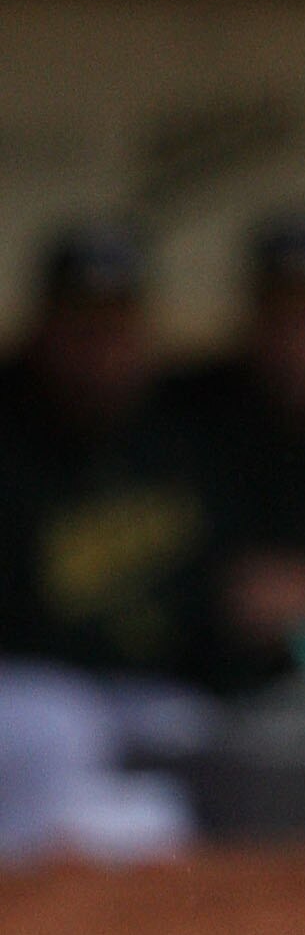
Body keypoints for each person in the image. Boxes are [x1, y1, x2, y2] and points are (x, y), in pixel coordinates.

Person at [0, 227, 218, 865]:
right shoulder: (12, 433)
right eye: (83, 331)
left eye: (117, 329)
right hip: (28, 695)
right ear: (43, 331)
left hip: (130, 696)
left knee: (194, 744)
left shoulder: (172, 432)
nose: (101, 353)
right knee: (61, 722)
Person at [173, 216, 305, 684]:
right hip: (216, 686)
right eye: (284, 318)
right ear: (252, 318)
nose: (300, 341)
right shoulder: (196, 410)